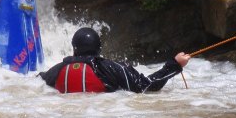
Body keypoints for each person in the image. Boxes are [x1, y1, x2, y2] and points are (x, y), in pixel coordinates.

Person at [40, 27, 191, 94]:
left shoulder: (58, 70)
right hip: (107, 115)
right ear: (99, 49)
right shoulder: (111, 68)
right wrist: (175, 65)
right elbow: (145, 86)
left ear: (74, 48)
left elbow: (36, 82)